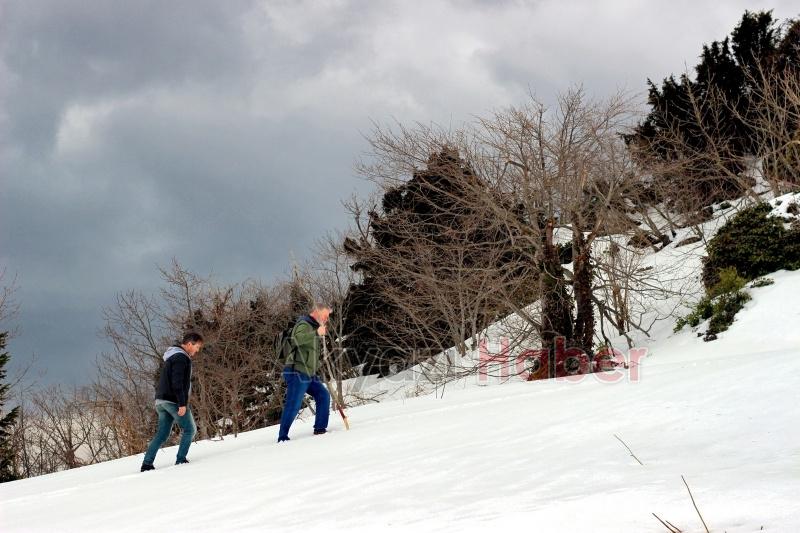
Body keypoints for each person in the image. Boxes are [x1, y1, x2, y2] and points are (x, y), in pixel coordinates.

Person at [140, 332, 204, 472]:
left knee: (162, 434)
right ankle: (181, 459)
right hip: (172, 400)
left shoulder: (172, 356)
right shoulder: (181, 358)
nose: (197, 350)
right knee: (190, 429)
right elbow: (177, 382)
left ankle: (147, 464)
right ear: (189, 344)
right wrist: (182, 403)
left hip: (161, 401)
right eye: (197, 347)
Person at [277, 304, 332, 442]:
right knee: (294, 404)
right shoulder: (304, 324)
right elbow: (296, 340)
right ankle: (282, 437)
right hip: (296, 371)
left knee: (323, 395)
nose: (326, 319)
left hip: (308, 372)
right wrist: (316, 333)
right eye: (325, 315)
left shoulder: (313, 326)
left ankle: (320, 429)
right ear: (316, 312)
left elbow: (309, 353)